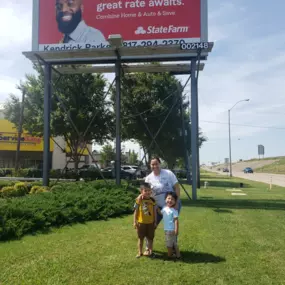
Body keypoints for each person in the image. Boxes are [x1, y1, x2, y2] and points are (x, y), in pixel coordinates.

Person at [139, 157, 181, 255]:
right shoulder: (148, 178)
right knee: (150, 227)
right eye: (152, 164)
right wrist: (141, 196)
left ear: (160, 163)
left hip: (170, 207)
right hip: (156, 208)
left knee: (171, 228)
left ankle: (173, 248)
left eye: (156, 164)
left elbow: (177, 187)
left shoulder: (168, 173)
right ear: (150, 166)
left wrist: (176, 204)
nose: (155, 166)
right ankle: (147, 248)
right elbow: (145, 192)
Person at [133, 182, 157, 258]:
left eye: (149, 190)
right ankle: (140, 252)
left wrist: (155, 221)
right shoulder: (138, 200)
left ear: (151, 191)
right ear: (141, 191)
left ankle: (150, 252)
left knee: (150, 239)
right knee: (140, 238)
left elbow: (154, 212)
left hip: (150, 223)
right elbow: (135, 211)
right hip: (141, 223)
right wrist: (134, 221)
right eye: (145, 191)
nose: (147, 192)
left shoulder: (152, 200)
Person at [159, 192, 181, 259]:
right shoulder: (164, 208)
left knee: (169, 243)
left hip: (171, 230)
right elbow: (161, 213)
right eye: (168, 198)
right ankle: (178, 255)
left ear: (175, 201)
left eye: (172, 199)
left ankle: (169, 255)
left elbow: (176, 220)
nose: (170, 200)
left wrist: (176, 230)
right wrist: (156, 209)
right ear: (165, 199)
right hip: (167, 229)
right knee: (174, 243)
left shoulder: (174, 210)